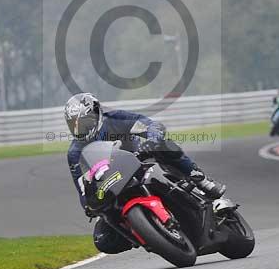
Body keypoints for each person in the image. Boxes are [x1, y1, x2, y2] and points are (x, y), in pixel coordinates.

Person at [64, 92, 226, 254]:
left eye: (85, 123)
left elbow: (150, 125)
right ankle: (142, 234)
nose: (80, 129)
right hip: (111, 186)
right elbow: (82, 189)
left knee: (164, 144)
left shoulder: (116, 119)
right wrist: (89, 205)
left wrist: (152, 140)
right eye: (74, 125)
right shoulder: (74, 153)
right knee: (103, 240)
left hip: (139, 163)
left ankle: (202, 180)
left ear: (97, 114)